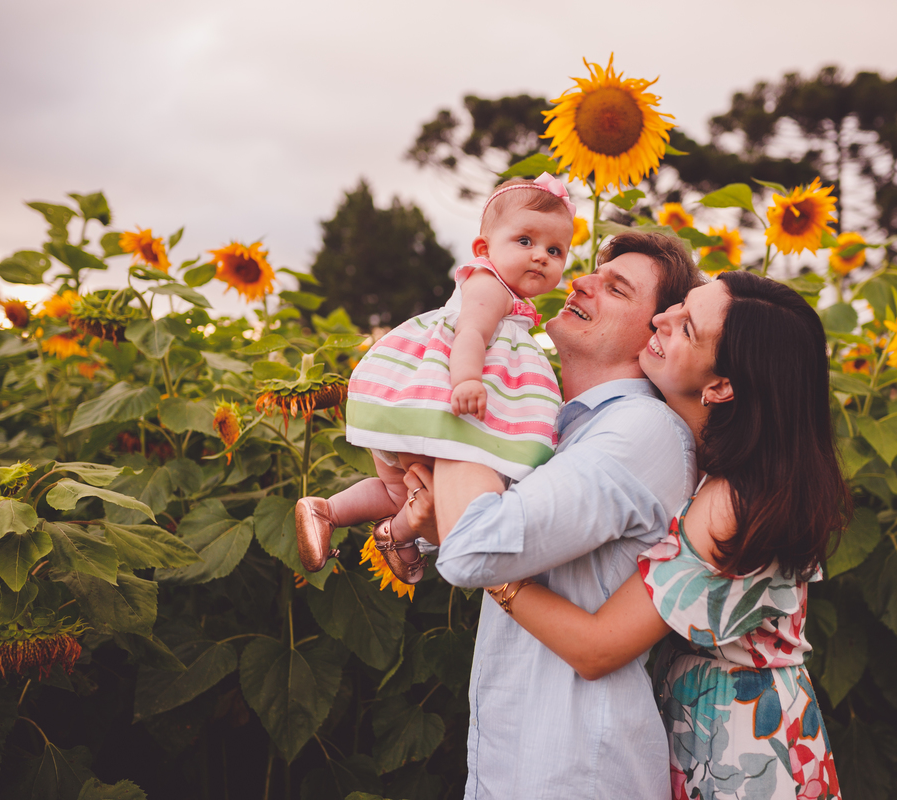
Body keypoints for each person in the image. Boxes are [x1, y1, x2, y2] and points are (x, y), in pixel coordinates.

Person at [427, 271, 852, 800]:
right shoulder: (733, 468)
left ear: (721, 387)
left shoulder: (730, 501)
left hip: (741, 748)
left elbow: (596, 648)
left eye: (687, 327)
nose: (661, 319)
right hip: (728, 722)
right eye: (678, 305)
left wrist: (492, 564)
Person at [403, 230, 703, 799]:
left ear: (655, 335)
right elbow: (437, 530)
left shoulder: (640, 430)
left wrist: (464, 405)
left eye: (616, 288)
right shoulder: (555, 428)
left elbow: (471, 547)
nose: (580, 282)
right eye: (592, 272)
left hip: (577, 769)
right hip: (515, 761)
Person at [296, 173, 576, 582]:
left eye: (555, 250)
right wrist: (467, 381)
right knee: (445, 489)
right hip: (445, 407)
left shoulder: (500, 293)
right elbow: (471, 334)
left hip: (415, 406)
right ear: (484, 249)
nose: (540, 256)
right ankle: (398, 535)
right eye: (524, 241)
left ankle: (329, 511)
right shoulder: (491, 287)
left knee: (397, 492)